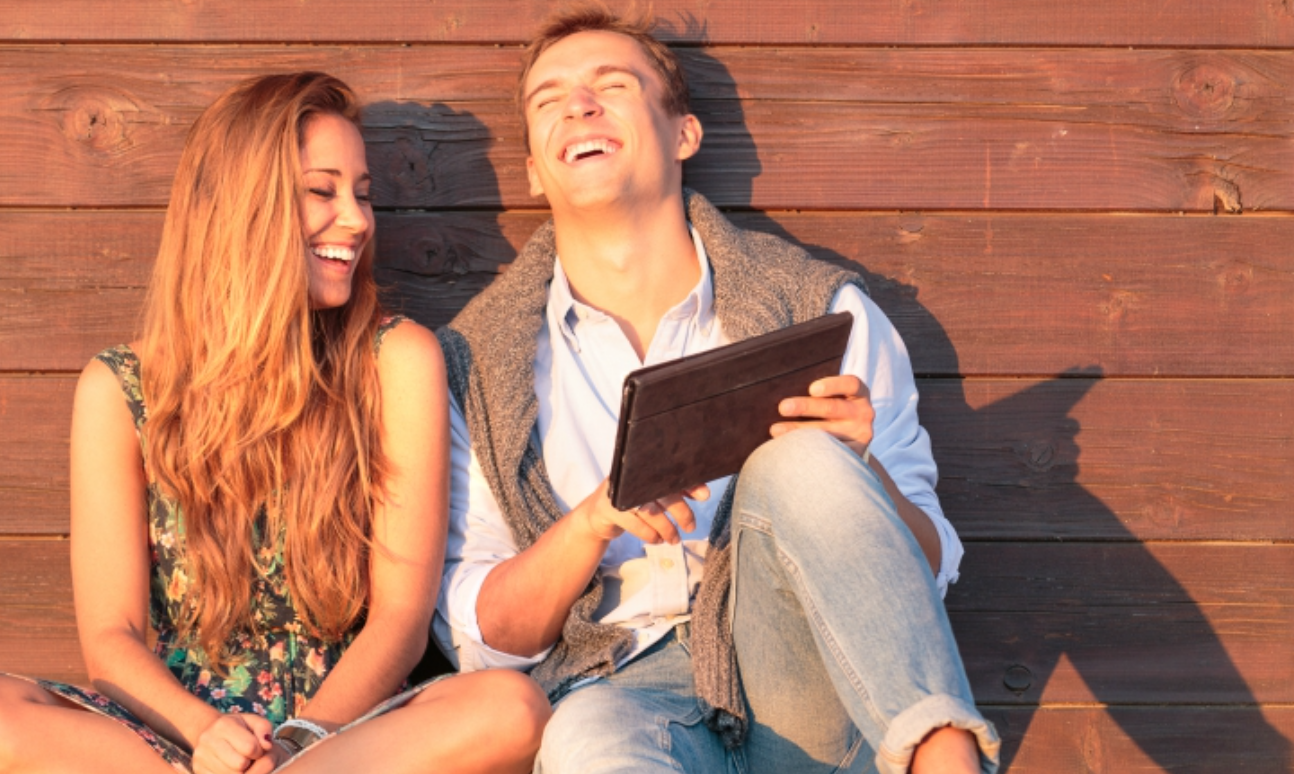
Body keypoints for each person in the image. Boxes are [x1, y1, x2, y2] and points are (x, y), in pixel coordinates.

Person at [432, 6, 1001, 774]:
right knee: (584, 742)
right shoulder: (472, 363)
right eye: (549, 99)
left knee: (804, 458)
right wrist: (590, 523)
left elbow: (925, 573)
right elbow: (482, 640)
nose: (579, 105)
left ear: (684, 135)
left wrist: (857, 475)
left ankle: (945, 757)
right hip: (615, 687)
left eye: (612, 85)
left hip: (799, 679)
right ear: (534, 167)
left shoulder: (821, 311)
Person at [0, 72, 549, 774]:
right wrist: (208, 737)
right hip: (172, 735)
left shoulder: (396, 359)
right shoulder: (120, 387)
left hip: (341, 734)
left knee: (511, 708)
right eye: (322, 191)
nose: (357, 221)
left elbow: (400, 623)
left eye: (362, 194)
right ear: (241, 205)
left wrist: (295, 742)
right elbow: (113, 637)